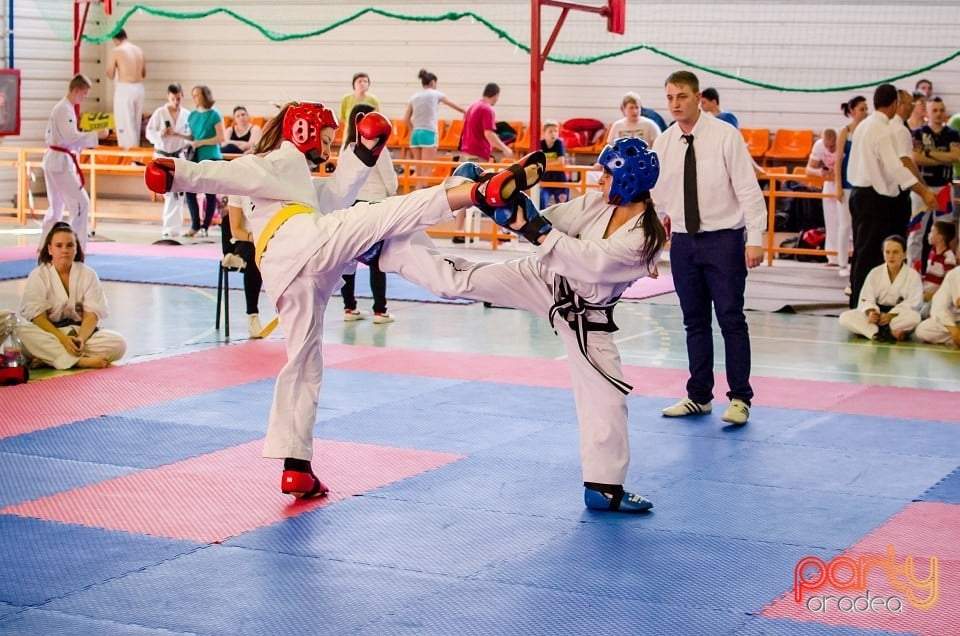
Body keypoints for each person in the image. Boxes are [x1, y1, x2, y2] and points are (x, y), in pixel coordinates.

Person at [144, 101, 544, 499]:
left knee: (303, 364)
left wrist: (364, 151)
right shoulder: (273, 161)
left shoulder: (296, 180)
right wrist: (174, 172)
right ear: (301, 131)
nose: (328, 146)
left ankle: (296, 466)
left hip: (291, 276)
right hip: (304, 243)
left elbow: (335, 193)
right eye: (327, 138)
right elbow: (219, 173)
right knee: (384, 215)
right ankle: (472, 191)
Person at [378, 137, 665, 513]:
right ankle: (392, 249)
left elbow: (589, 261)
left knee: (608, 399)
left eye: (605, 175)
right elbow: (555, 223)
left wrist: (531, 225)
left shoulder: (645, 238)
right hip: (545, 280)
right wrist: (510, 206)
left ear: (626, 179)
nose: (598, 181)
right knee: (461, 281)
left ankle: (604, 487)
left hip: (587, 318)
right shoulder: (598, 204)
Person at [651, 70, 766, 426]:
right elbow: (655, 203)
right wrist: (650, 251)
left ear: (698, 97)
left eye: (682, 97)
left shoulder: (725, 136)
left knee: (731, 318)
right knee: (693, 321)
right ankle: (699, 395)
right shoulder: (665, 143)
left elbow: (748, 189)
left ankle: (740, 398)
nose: (675, 104)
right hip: (684, 241)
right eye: (670, 97)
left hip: (724, 239)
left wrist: (757, 238)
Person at [847, 84, 938, 309]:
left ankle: (859, 302)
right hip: (874, 198)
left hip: (858, 193)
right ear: (894, 104)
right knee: (871, 255)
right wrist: (924, 191)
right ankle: (864, 306)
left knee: (861, 252)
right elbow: (896, 167)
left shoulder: (862, 125)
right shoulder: (883, 129)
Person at [19, 222, 127, 369]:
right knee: (21, 332)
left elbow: (92, 315)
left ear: (76, 249)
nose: (65, 250)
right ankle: (79, 361)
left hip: (79, 333)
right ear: (50, 249)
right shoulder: (39, 275)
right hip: (50, 334)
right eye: (59, 246)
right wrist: (63, 339)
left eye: (70, 245)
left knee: (118, 343)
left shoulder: (88, 274)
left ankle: (48, 358)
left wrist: (80, 339)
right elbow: (38, 318)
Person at [340, 103, 399, 324]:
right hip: (374, 205)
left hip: (352, 205)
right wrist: (394, 195)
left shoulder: (347, 149)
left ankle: (349, 307)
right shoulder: (378, 149)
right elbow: (389, 179)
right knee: (376, 260)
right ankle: (379, 310)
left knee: (349, 259)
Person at [39, 73, 109, 253]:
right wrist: (96, 135)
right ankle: (75, 246)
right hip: (59, 162)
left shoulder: (64, 108)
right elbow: (70, 137)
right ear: (76, 90)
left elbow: (65, 138)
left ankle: (45, 245)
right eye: (84, 93)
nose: (85, 97)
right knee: (80, 203)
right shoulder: (63, 109)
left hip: (55, 159)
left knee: (56, 207)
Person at [454, 82, 514, 242]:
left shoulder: (472, 106)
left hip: (466, 153)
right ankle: (502, 232)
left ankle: (459, 232)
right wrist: (505, 149)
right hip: (478, 155)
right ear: (496, 95)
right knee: (490, 191)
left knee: (462, 193)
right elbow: (489, 134)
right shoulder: (487, 109)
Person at [839, 235, 922, 342]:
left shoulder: (913, 276)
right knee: (845, 317)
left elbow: (914, 303)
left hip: (896, 317)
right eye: (887, 252)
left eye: (895, 252)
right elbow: (866, 298)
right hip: (876, 317)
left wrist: (890, 315)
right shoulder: (875, 273)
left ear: (905, 254)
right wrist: (871, 312)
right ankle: (877, 334)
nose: (891, 256)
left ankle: (878, 331)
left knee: (914, 318)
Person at [909, 97, 960, 269]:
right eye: (934, 110)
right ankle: (913, 271)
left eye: (941, 110)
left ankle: (938, 270)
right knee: (916, 232)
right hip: (922, 188)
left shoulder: (952, 134)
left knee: (944, 232)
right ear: (927, 112)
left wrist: (929, 154)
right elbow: (916, 158)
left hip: (945, 188)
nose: (938, 114)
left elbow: (956, 156)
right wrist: (942, 157)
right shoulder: (918, 133)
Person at [144, 83, 192, 238]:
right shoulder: (160, 113)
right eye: (173, 99)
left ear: (182, 96)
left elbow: (191, 136)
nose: (176, 102)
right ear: (168, 97)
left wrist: (178, 135)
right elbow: (148, 132)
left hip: (178, 156)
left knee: (179, 193)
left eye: (178, 98)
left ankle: (174, 228)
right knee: (169, 193)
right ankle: (169, 228)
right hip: (162, 155)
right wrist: (161, 134)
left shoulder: (187, 115)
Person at [404, 68, 465, 185]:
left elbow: (406, 119)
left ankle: (416, 196)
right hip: (428, 132)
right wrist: (466, 111)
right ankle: (424, 200)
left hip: (415, 134)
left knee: (419, 170)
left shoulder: (414, 97)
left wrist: (412, 130)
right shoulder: (436, 93)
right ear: (432, 82)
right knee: (427, 170)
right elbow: (454, 106)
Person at [221, 195, 264, 338]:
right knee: (254, 256)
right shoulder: (237, 192)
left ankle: (237, 261)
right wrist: (252, 237)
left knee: (256, 254)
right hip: (244, 240)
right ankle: (253, 316)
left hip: (266, 239)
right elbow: (235, 230)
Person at [184, 85, 224, 238]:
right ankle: (195, 224)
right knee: (190, 190)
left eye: (198, 95)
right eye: (193, 95)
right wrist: (175, 134)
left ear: (205, 96)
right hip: (195, 157)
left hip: (211, 155)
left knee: (209, 192)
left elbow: (221, 138)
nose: (195, 98)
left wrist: (200, 142)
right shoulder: (192, 115)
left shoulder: (214, 115)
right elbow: (192, 136)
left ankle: (205, 227)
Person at [805, 129, 845, 269]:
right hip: (829, 181)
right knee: (831, 220)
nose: (829, 148)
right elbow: (808, 169)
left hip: (844, 181)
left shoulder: (842, 143)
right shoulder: (819, 145)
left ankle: (847, 254)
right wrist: (820, 172)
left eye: (832, 146)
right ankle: (832, 256)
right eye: (827, 146)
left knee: (846, 221)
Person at [105, 29, 145, 150]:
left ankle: (129, 157)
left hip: (125, 88)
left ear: (114, 39)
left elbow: (110, 74)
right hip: (139, 88)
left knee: (125, 125)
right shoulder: (138, 50)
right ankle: (136, 156)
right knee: (135, 125)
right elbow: (143, 73)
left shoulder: (116, 51)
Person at [915, 267, 960, 347]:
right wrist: (952, 328)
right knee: (923, 329)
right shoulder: (954, 274)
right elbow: (938, 305)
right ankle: (956, 338)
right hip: (956, 320)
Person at [921, 220, 957, 306]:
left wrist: (934, 295)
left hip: (935, 296)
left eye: (932, 231)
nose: (929, 234)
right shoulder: (932, 252)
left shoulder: (949, 257)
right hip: (924, 292)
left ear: (941, 237)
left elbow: (948, 282)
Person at [539, 120, 569, 208]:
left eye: (556, 131)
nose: (553, 134)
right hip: (545, 181)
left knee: (563, 207)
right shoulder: (540, 144)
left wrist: (546, 162)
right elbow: (539, 162)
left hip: (560, 181)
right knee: (541, 201)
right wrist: (554, 161)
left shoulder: (559, 143)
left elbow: (561, 162)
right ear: (544, 133)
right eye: (550, 131)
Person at [339, 72, 379, 137]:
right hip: (350, 135)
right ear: (354, 84)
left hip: (368, 135)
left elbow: (377, 119)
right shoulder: (346, 99)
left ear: (368, 85)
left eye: (365, 81)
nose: (362, 84)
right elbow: (342, 119)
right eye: (359, 81)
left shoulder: (373, 100)